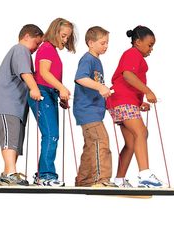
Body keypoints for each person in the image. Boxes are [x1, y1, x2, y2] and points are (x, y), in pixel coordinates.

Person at [106, 25, 166, 188]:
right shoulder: (132, 53)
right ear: (138, 42)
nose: (151, 48)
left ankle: (119, 180)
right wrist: (148, 91)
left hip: (122, 102)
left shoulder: (135, 56)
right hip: (123, 101)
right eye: (149, 44)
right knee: (141, 132)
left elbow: (127, 83)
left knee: (132, 142)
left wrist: (140, 103)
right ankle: (145, 174)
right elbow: (127, 75)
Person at [0, 24, 44, 186]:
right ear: (26, 37)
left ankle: (7, 173)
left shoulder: (23, 52)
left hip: (15, 106)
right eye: (36, 43)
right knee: (10, 138)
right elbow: (25, 72)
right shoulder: (20, 50)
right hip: (6, 103)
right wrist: (34, 88)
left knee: (15, 140)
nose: (37, 48)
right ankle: (11, 172)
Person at [28, 18, 76, 186]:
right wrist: (62, 88)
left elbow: (50, 77)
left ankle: (43, 174)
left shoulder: (52, 50)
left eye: (67, 37)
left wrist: (59, 93)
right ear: (55, 32)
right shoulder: (47, 48)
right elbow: (44, 73)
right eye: (63, 36)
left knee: (52, 135)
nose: (65, 40)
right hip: (41, 93)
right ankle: (46, 175)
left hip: (50, 94)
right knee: (51, 134)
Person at [73, 26, 115, 187]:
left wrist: (104, 90)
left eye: (107, 43)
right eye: (103, 43)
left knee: (91, 145)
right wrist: (100, 87)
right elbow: (80, 78)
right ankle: (101, 179)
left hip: (93, 111)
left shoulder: (96, 61)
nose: (106, 46)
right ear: (91, 43)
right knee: (101, 142)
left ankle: (83, 180)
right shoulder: (88, 59)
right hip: (88, 110)